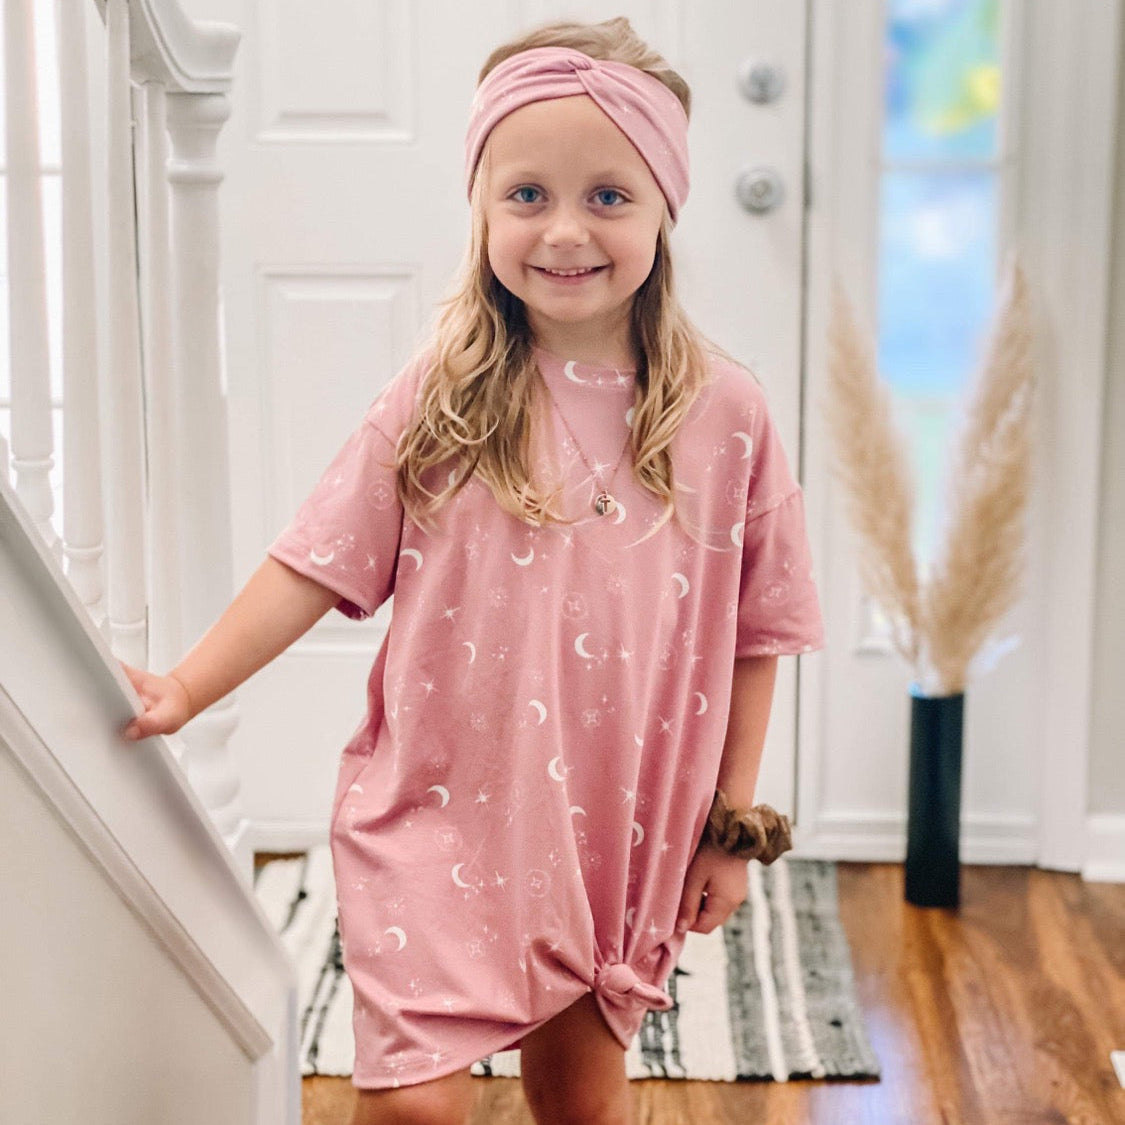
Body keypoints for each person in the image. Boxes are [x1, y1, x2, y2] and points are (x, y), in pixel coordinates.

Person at [121, 16, 824, 1125]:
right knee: (414, 1104)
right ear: (482, 208)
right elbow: (313, 560)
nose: (564, 230)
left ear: (664, 209)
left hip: (613, 829)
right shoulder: (442, 394)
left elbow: (758, 634)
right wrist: (185, 687)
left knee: (578, 1100)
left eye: (608, 196)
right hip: (438, 810)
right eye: (526, 194)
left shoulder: (726, 415)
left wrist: (728, 828)